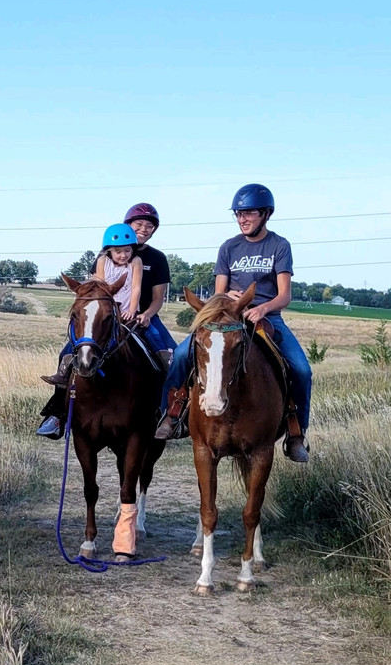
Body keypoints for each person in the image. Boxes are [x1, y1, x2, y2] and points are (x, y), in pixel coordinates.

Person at [154, 184, 312, 463]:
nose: (242, 219)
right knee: (180, 355)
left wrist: (262, 307)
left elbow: (284, 295)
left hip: (267, 316)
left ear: (266, 214)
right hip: (228, 317)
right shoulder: (229, 247)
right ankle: (172, 413)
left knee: (301, 369)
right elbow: (218, 292)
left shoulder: (279, 245)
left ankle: (296, 431)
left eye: (248, 213)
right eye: (238, 214)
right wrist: (227, 297)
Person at [35, 224, 145, 438]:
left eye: (128, 250)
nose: (124, 255)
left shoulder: (137, 262)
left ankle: (162, 409)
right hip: (103, 311)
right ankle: (57, 412)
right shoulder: (102, 262)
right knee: (67, 352)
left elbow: (136, 288)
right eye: (119, 251)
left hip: (127, 314)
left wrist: (132, 310)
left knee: (154, 351)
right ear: (108, 251)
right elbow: (100, 285)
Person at [124, 202, 177, 365]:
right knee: (72, 349)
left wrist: (146, 315)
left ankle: (173, 388)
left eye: (149, 226)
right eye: (138, 224)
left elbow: (158, 298)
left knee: (178, 356)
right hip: (112, 313)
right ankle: (62, 384)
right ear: (128, 225)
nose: (144, 229)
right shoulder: (110, 253)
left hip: (145, 316)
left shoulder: (158, 258)